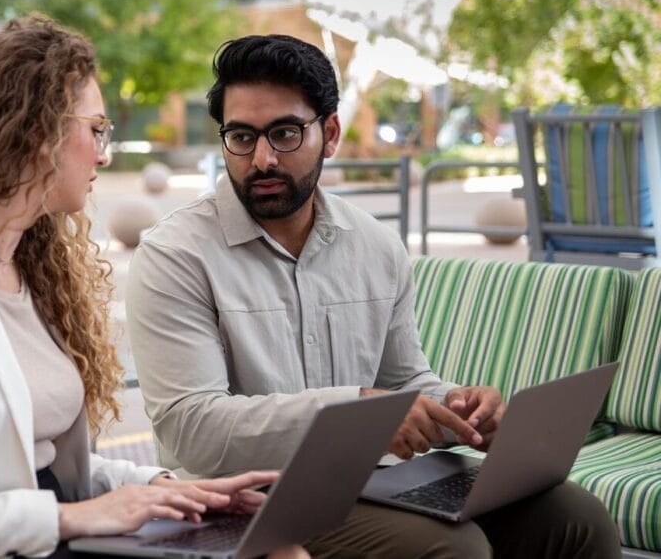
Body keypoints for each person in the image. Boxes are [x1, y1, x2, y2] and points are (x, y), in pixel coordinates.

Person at [126, 33, 622, 558]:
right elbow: (191, 431)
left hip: (374, 481)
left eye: (286, 133)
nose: (263, 159)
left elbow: (404, 381)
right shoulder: (175, 256)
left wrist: (457, 407)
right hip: (244, 498)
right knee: (452, 549)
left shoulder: (376, 245)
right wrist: (359, 411)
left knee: (577, 518)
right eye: (242, 137)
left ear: (331, 132)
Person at [0, 16, 291, 559]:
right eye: (96, 129)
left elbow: (37, 467)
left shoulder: (30, 266)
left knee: (278, 546)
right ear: (37, 131)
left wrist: (164, 488)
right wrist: (72, 519)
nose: (103, 154)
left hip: (40, 538)